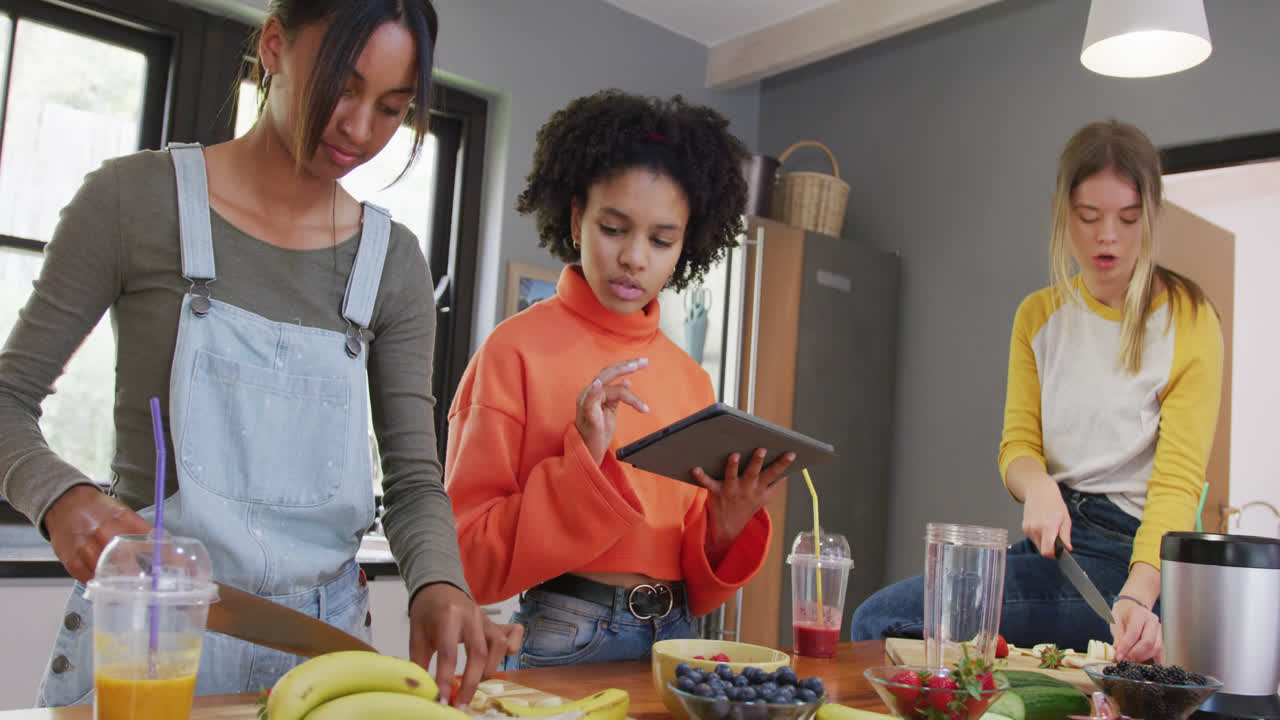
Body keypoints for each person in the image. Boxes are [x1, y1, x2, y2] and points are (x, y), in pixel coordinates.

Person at [0, 0, 518, 707]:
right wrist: (62, 497)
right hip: (153, 631)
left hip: (322, 641)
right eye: (342, 85)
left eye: (394, 109)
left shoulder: (392, 265)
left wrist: (439, 582)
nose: (360, 129)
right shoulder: (131, 202)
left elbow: (413, 480)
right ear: (274, 45)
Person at [444, 89, 795, 669]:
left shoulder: (690, 380)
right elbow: (467, 559)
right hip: (564, 635)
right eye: (613, 228)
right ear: (577, 216)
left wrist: (725, 527)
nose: (635, 257)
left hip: (678, 640)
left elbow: (698, 579)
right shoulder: (514, 352)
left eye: (661, 240)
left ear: (687, 245)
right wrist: (582, 461)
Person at [850, 119, 1222, 663]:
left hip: (1130, 561)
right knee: (911, 633)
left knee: (881, 620)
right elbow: (1017, 446)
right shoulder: (1039, 316)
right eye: (1088, 217)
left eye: (1128, 218)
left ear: (1153, 217)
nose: (1108, 236)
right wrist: (1039, 485)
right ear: (1062, 214)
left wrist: (1138, 598)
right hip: (1060, 546)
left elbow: (1177, 486)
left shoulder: (1188, 319)